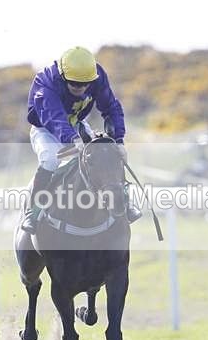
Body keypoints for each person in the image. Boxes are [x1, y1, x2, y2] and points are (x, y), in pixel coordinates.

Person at [22, 46, 141, 234]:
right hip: (46, 128)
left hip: (77, 122)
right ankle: (33, 210)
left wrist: (118, 141)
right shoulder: (46, 83)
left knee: (106, 154)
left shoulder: (97, 75)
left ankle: (125, 202)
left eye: (86, 84)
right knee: (50, 160)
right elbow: (54, 118)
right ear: (63, 77)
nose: (81, 88)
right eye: (75, 84)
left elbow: (111, 107)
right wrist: (73, 139)